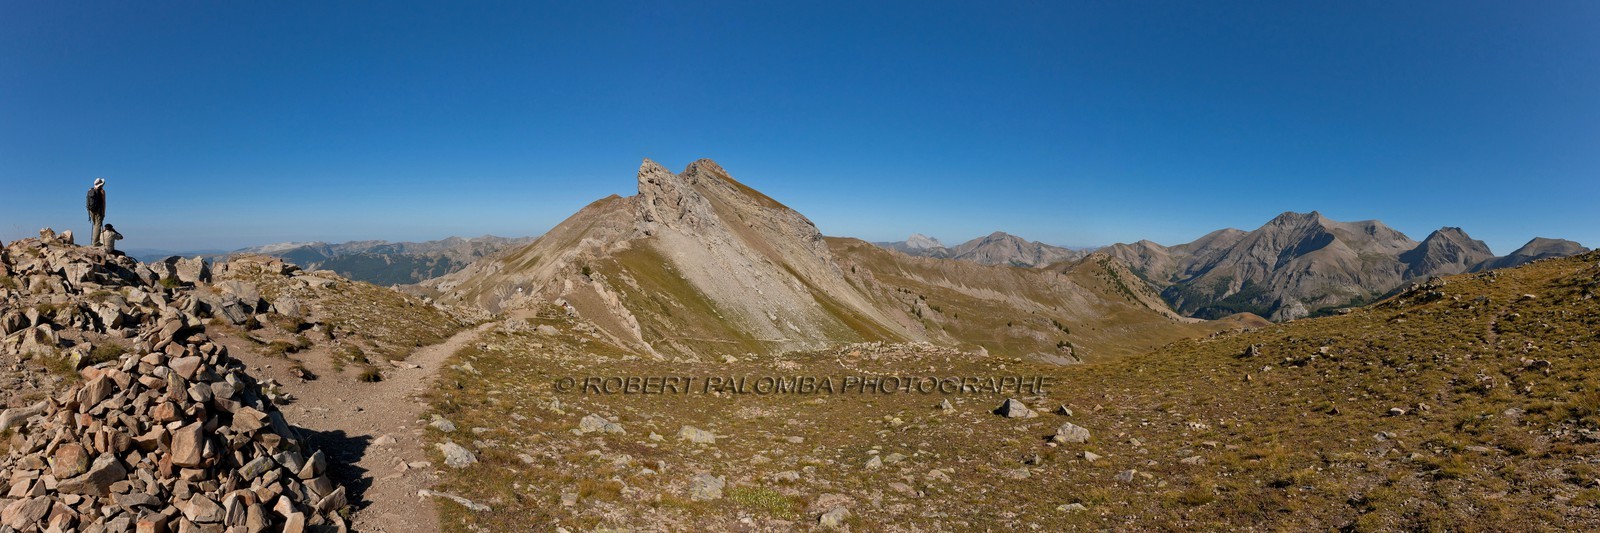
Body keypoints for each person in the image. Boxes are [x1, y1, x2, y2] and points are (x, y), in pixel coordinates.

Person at [86, 178, 106, 246]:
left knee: (95, 225)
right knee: (98, 225)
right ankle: (95, 242)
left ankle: (94, 241)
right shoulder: (102, 191)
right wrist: (103, 212)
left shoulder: (90, 190)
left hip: (91, 210)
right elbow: (103, 203)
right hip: (98, 211)